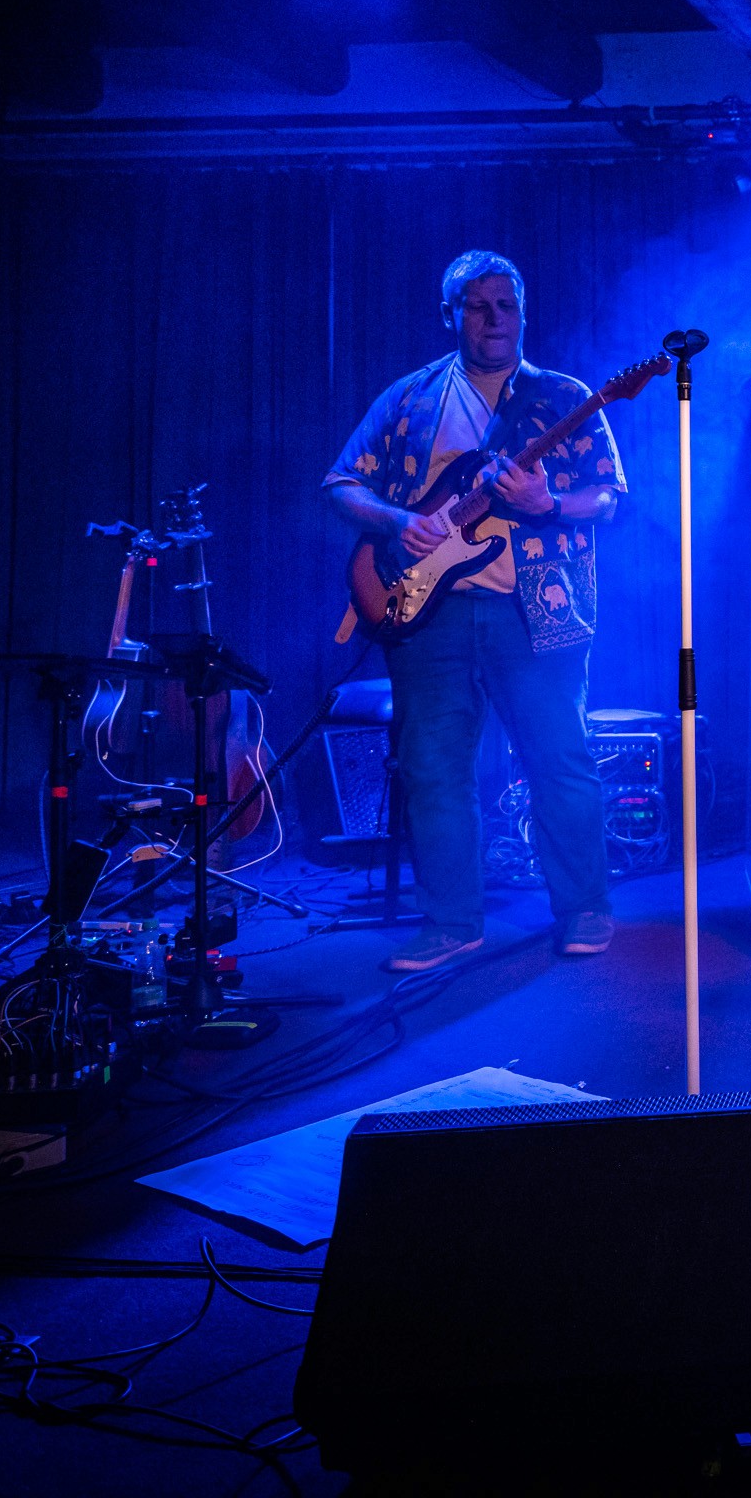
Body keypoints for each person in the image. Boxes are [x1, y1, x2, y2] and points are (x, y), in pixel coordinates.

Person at [325, 252, 628, 972]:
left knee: (560, 759)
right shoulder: (408, 398)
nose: (495, 319)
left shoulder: (565, 397)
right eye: (477, 305)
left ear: (524, 313)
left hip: (540, 612)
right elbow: (341, 483)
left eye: (508, 305)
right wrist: (400, 524)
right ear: (449, 314)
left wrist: (547, 504)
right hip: (429, 614)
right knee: (432, 768)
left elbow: (610, 497)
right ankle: (451, 922)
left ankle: (585, 908)